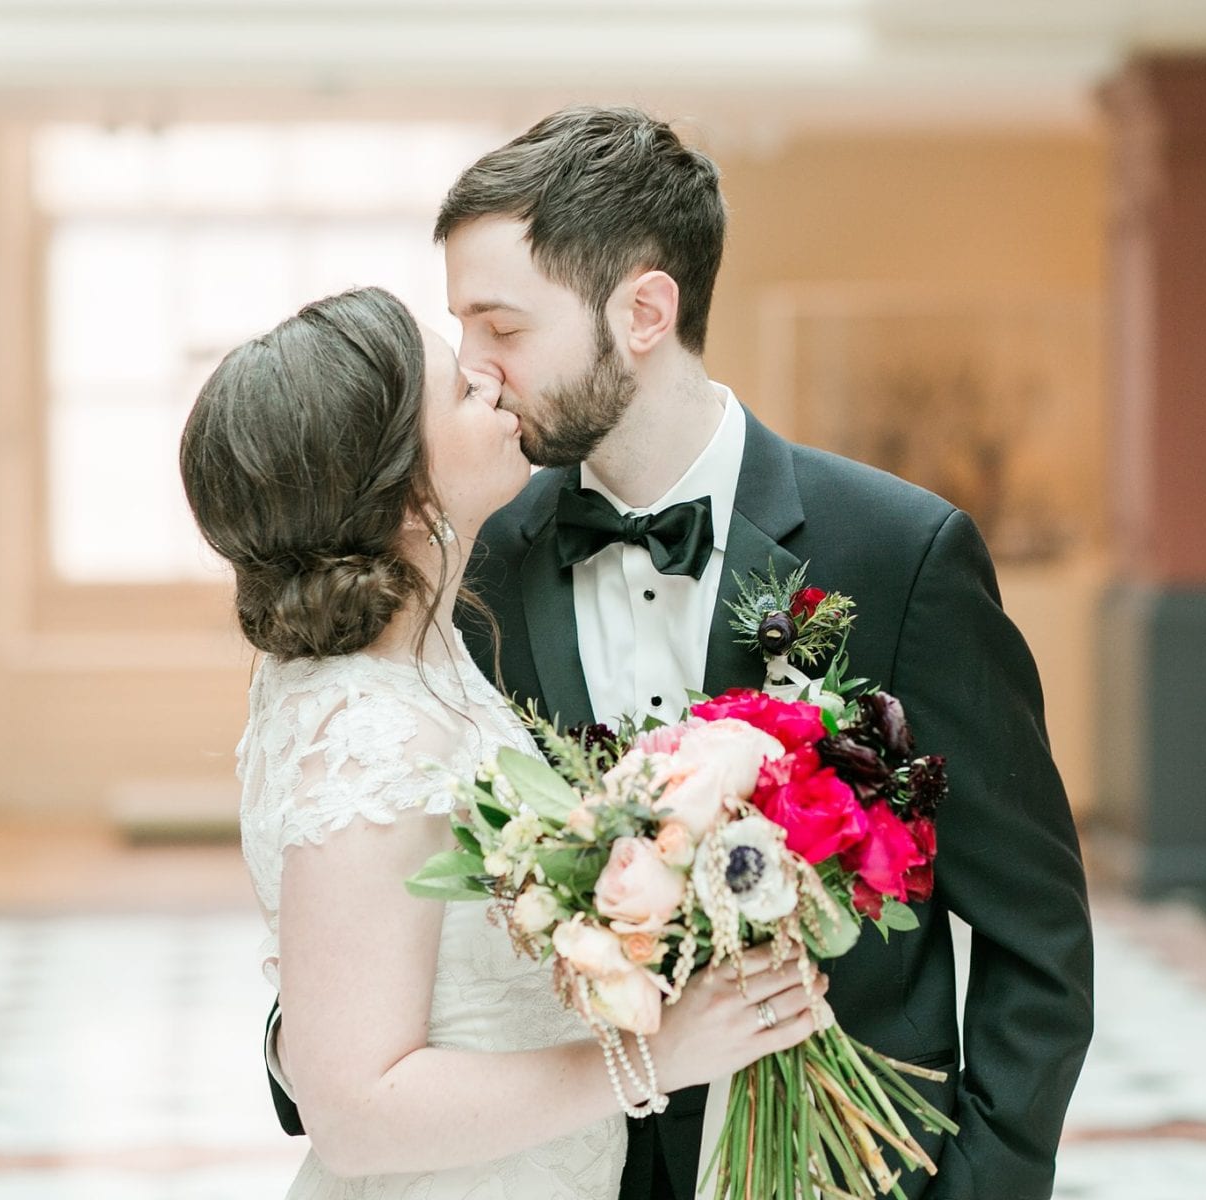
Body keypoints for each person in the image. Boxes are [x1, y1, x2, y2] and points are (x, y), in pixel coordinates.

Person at [436, 106, 1094, 1200]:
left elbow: (1039, 934)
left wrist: (982, 1184)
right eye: (462, 331)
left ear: (645, 310)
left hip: (848, 1168)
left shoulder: (901, 552)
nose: (477, 371)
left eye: (501, 328)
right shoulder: (485, 564)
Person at [181, 286, 829, 1200]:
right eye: (457, 388)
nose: (489, 380)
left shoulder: (425, 652)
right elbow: (356, 1113)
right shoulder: (367, 736)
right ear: (403, 492)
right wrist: (655, 1055)